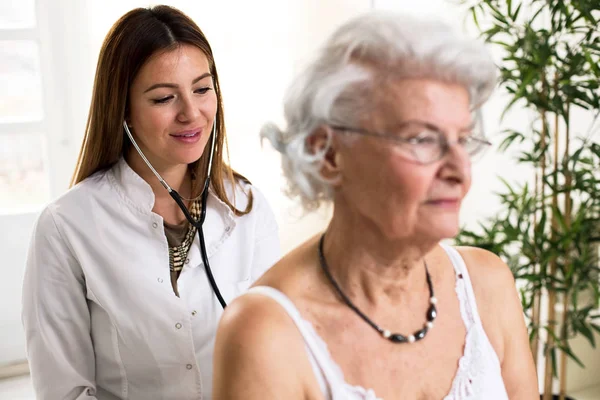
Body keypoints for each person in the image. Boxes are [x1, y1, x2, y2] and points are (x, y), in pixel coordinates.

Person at [213, 11, 538, 400]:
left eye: (463, 140)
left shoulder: (488, 285)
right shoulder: (264, 334)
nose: (460, 172)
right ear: (329, 154)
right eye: (422, 139)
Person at [22, 5, 280, 400]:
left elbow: (274, 357)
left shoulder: (247, 208)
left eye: (201, 89)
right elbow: (64, 390)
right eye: (163, 98)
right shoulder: (66, 226)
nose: (191, 113)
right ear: (122, 109)